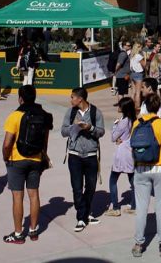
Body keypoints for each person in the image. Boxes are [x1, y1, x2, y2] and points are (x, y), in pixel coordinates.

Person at [1, 85, 53, 244]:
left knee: (18, 196)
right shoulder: (44, 115)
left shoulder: (15, 116)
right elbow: (45, 141)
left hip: (17, 160)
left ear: (20, 98)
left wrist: (6, 158)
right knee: (34, 195)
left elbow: (7, 143)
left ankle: (18, 234)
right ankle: (33, 230)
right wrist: (42, 157)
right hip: (36, 159)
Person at [131, 94, 161, 258]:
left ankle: (138, 244)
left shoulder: (137, 123)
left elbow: (132, 149)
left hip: (141, 169)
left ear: (145, 107)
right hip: (160, 168)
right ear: (159, 108)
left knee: (141, 208)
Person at [62, 86, 106, 232]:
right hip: (74, 155)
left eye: (72, 97)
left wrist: (90, 128)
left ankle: (85, 214)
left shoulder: (95, 112)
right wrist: (73, 127)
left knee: (91, 187)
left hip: (91, 156)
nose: (71, 99)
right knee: (77, 188)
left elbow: (101, 132)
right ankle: (81, 218)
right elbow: (63, 131)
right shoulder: (70, 112)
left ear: (80, 99)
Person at [106, 97, 137, 217]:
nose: (118, 107)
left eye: (120, 105)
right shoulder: (132, 120)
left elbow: (113, 137)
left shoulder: (123, 122)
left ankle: (116, 207)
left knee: (113, 180)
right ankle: (134, 206)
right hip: (130, 153)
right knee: (132, 180)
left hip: (122, 153)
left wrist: (115, 125)